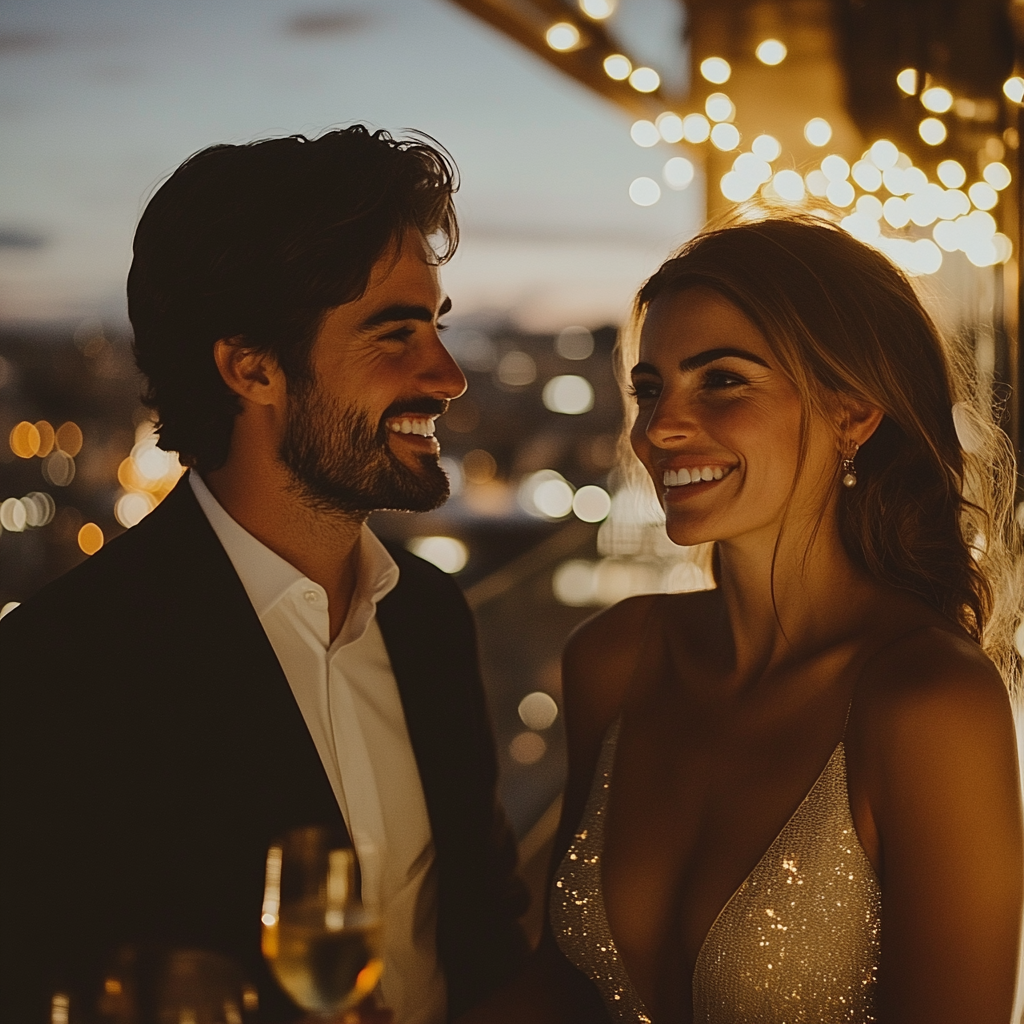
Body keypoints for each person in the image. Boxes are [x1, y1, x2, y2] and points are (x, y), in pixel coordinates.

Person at [0, 126, 528, 1024]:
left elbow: (484, 938)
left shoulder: (430, 617)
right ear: (251, 367)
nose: (446, 376)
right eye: (395, 333)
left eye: (436, 326)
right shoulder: (61, 665)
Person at [465, 216, 1024, 1024]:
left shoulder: (928, 704)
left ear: (853, 413)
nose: (659, 429)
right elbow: (564, 989)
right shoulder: (617, 656)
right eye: (649, 388)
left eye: (721, 380)